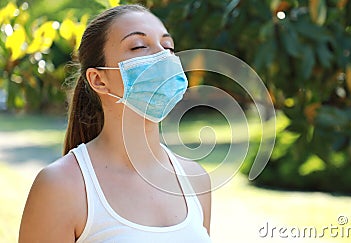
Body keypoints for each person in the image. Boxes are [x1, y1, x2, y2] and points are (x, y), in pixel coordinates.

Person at [19, 4, 212, 243]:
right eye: (139, 46)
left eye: (168, 46)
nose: (163, 56)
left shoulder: (196, 179)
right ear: (99, 80)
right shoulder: (60, 187)